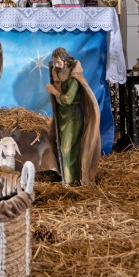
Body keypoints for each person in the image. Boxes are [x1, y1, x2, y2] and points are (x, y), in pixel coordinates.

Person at [45, 48, 101, 186]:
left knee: (68, 148)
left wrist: (54, 91)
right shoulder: (58, 72)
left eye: (58, 62)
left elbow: (67, 99)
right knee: (60, 145)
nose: (56, 65)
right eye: (54, 62)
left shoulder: (74, 78)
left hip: (73, 116)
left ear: (65, 61)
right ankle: (67, 178)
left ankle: (73, 180)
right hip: (62, 115)